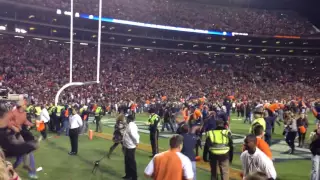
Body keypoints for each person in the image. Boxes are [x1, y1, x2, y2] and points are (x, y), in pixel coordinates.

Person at [122, 115, 139, 180]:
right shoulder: (129, 125)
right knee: (127, 161)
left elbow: (134, 135)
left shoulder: (131, 126)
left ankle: (134, 177)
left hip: (130, 146)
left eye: (127, 118)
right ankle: (128, 174)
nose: (126, 119)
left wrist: (136, 142)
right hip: (127, 145)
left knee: (131, 162)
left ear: (129, 119)